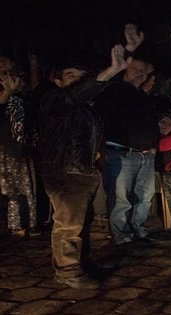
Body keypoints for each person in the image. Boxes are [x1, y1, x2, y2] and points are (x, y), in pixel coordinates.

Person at [38, 43, 129, 289]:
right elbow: (74, 95)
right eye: (71, 76)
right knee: (69, 224)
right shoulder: (52, 100)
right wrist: (110, 71)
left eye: (81, 77)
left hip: (83, 171)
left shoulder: (85, 109)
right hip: (65, 171)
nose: (78, 81)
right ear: (57, 81)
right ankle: (67, 271)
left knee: (82, 221)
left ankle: (83, 262)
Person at [94, 25, 160, 247]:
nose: (140, 74)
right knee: (120, 199)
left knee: (144, 197)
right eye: (135, 70)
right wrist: (129, 49)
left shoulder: (143, 96)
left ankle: (138, 230)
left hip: (145, 155)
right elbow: (105, 79)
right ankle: (121, 235)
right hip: (120, 154)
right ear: (124, 70)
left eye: (144, 72)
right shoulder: (114, 90)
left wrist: (153, 146)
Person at [0, 57, 39, 237]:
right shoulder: (5, 91)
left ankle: (29, 222)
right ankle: (16, 225)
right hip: (7, 148)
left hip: (22, 145)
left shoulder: (18, 88)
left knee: (27, 186)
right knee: (13, 188)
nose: (9, 69)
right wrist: (7, 92)